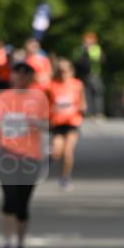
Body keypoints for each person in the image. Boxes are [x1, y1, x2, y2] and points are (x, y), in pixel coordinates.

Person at [0, 62, 48, 248]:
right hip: (6, 155)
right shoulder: (1, 98)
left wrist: (35, 123)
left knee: (23, 204)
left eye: (25, 74)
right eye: (17, 73)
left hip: (30, 157)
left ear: (31, 78)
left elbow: (47, 123)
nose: (21, 77)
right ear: (12, 76)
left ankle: (20, 245)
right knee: (9, 200)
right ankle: (7, 244)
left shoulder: (39, 98)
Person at [46, 59, 86, 189]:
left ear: (71, 71)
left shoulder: (77, 84)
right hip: (57, 123)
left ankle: (65, 178)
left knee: (68, 152)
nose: (63, 73)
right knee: (56, 152)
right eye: (60, 71)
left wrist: (82, 110)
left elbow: (82, 102)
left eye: (65, 71)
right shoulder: (51, 85)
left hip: (72, 122)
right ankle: (44, 164)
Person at [77, 32, 105, 117]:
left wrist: (87, 50)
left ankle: (98, 112)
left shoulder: (96, 48)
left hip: (94, 74)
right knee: (87, 94)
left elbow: (98, 59)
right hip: (85, 75)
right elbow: (79, 61)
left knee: (97, 94)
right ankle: (89, 113)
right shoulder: (81, 49)